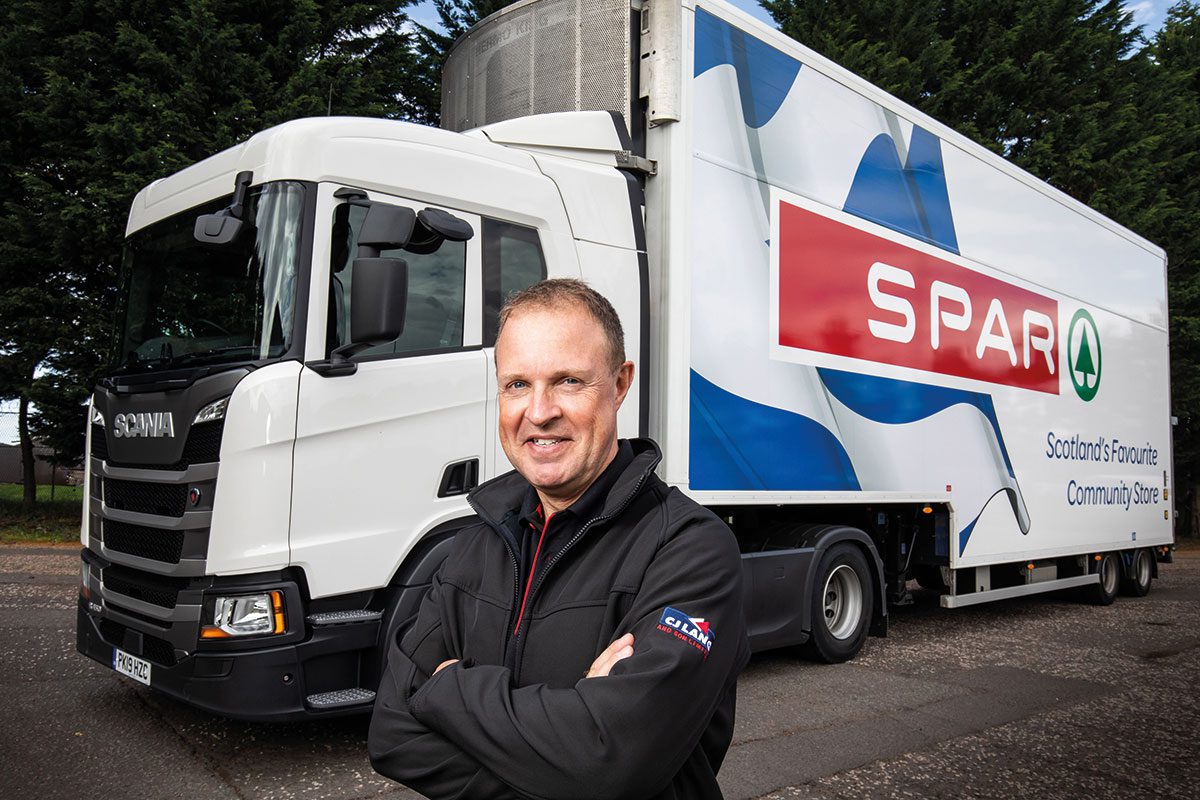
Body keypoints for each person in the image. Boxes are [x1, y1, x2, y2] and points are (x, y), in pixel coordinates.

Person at [369, 278, 749, 799]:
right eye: (517, 385)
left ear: (620, 385)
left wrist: (444, 686)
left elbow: (607, 759)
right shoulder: (474, 544)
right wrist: (563, 752)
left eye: (568, 381)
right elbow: (391, 735)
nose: (539, 411)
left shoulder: (688, 549)